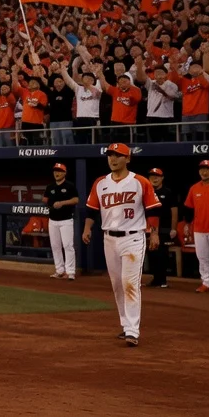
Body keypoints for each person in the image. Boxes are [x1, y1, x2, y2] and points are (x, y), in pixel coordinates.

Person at [82, 143, 162, 346]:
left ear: (128, 159)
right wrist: (87, 228)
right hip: (109, 238)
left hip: (133, 237)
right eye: (110, 155)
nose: (113, 159)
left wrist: (153, 234)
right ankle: (125, 325)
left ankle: (133, 331)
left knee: (129, 282)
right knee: (117, 284)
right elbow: (91, 210)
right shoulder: (100, 183)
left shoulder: (140, 182)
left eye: (118, 155)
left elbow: (152, 210)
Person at [184, 159, 209, 291]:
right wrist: (188, 224)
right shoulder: (194, 188)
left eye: (207, 169)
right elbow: (188, 208)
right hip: (199, 228)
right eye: (202, 169)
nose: (204, 172)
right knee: (202, 256)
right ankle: (207, 282)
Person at [44, 163, 80, 280]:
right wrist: (49, 202)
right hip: (53, 220)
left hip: (66, 219)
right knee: (55, 246)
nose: (57, 173)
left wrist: (62, 203)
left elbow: (76, 200)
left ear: (64, 173)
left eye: (59, 171)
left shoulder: (69, 186)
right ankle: (59, 270)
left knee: (68, 245)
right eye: (55, 171)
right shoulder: (50, 187)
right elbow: (45, 199)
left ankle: (70, 272)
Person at [146, 168, 178, 288]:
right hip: (149, 228)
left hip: (164, 228)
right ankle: (155, 278)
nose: (154, 178)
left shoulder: (168, 192)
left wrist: (173, 228)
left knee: (162, 254)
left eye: (157, 176)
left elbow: (174, 211)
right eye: (152, 176)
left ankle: (162, 279)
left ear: (162, 178)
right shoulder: (146, 192)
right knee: (152, 254)